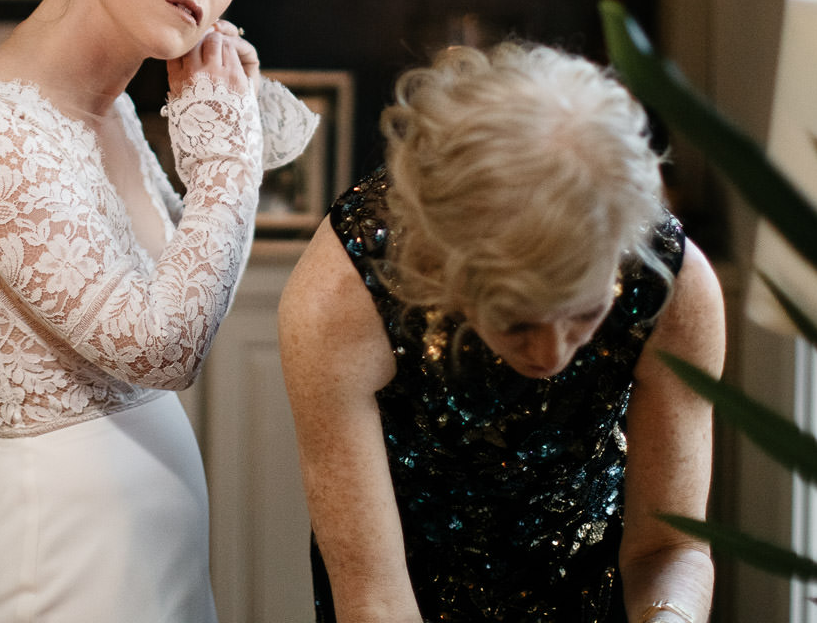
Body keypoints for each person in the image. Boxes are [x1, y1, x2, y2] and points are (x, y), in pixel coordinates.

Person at [0, 0, 319, 623]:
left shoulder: (115, 110)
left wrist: (229, 128)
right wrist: (227, 166)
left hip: (154, 545)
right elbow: (162, 348)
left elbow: (181, 284)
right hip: (69, 555)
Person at [280, 41, 725, 623]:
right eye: (518, 322)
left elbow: (671, 546)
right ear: (442, 265)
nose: (553, 355)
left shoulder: (671, 283)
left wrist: (669, 617)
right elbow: (374, 597)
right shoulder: (345, 294)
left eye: (587, 315)